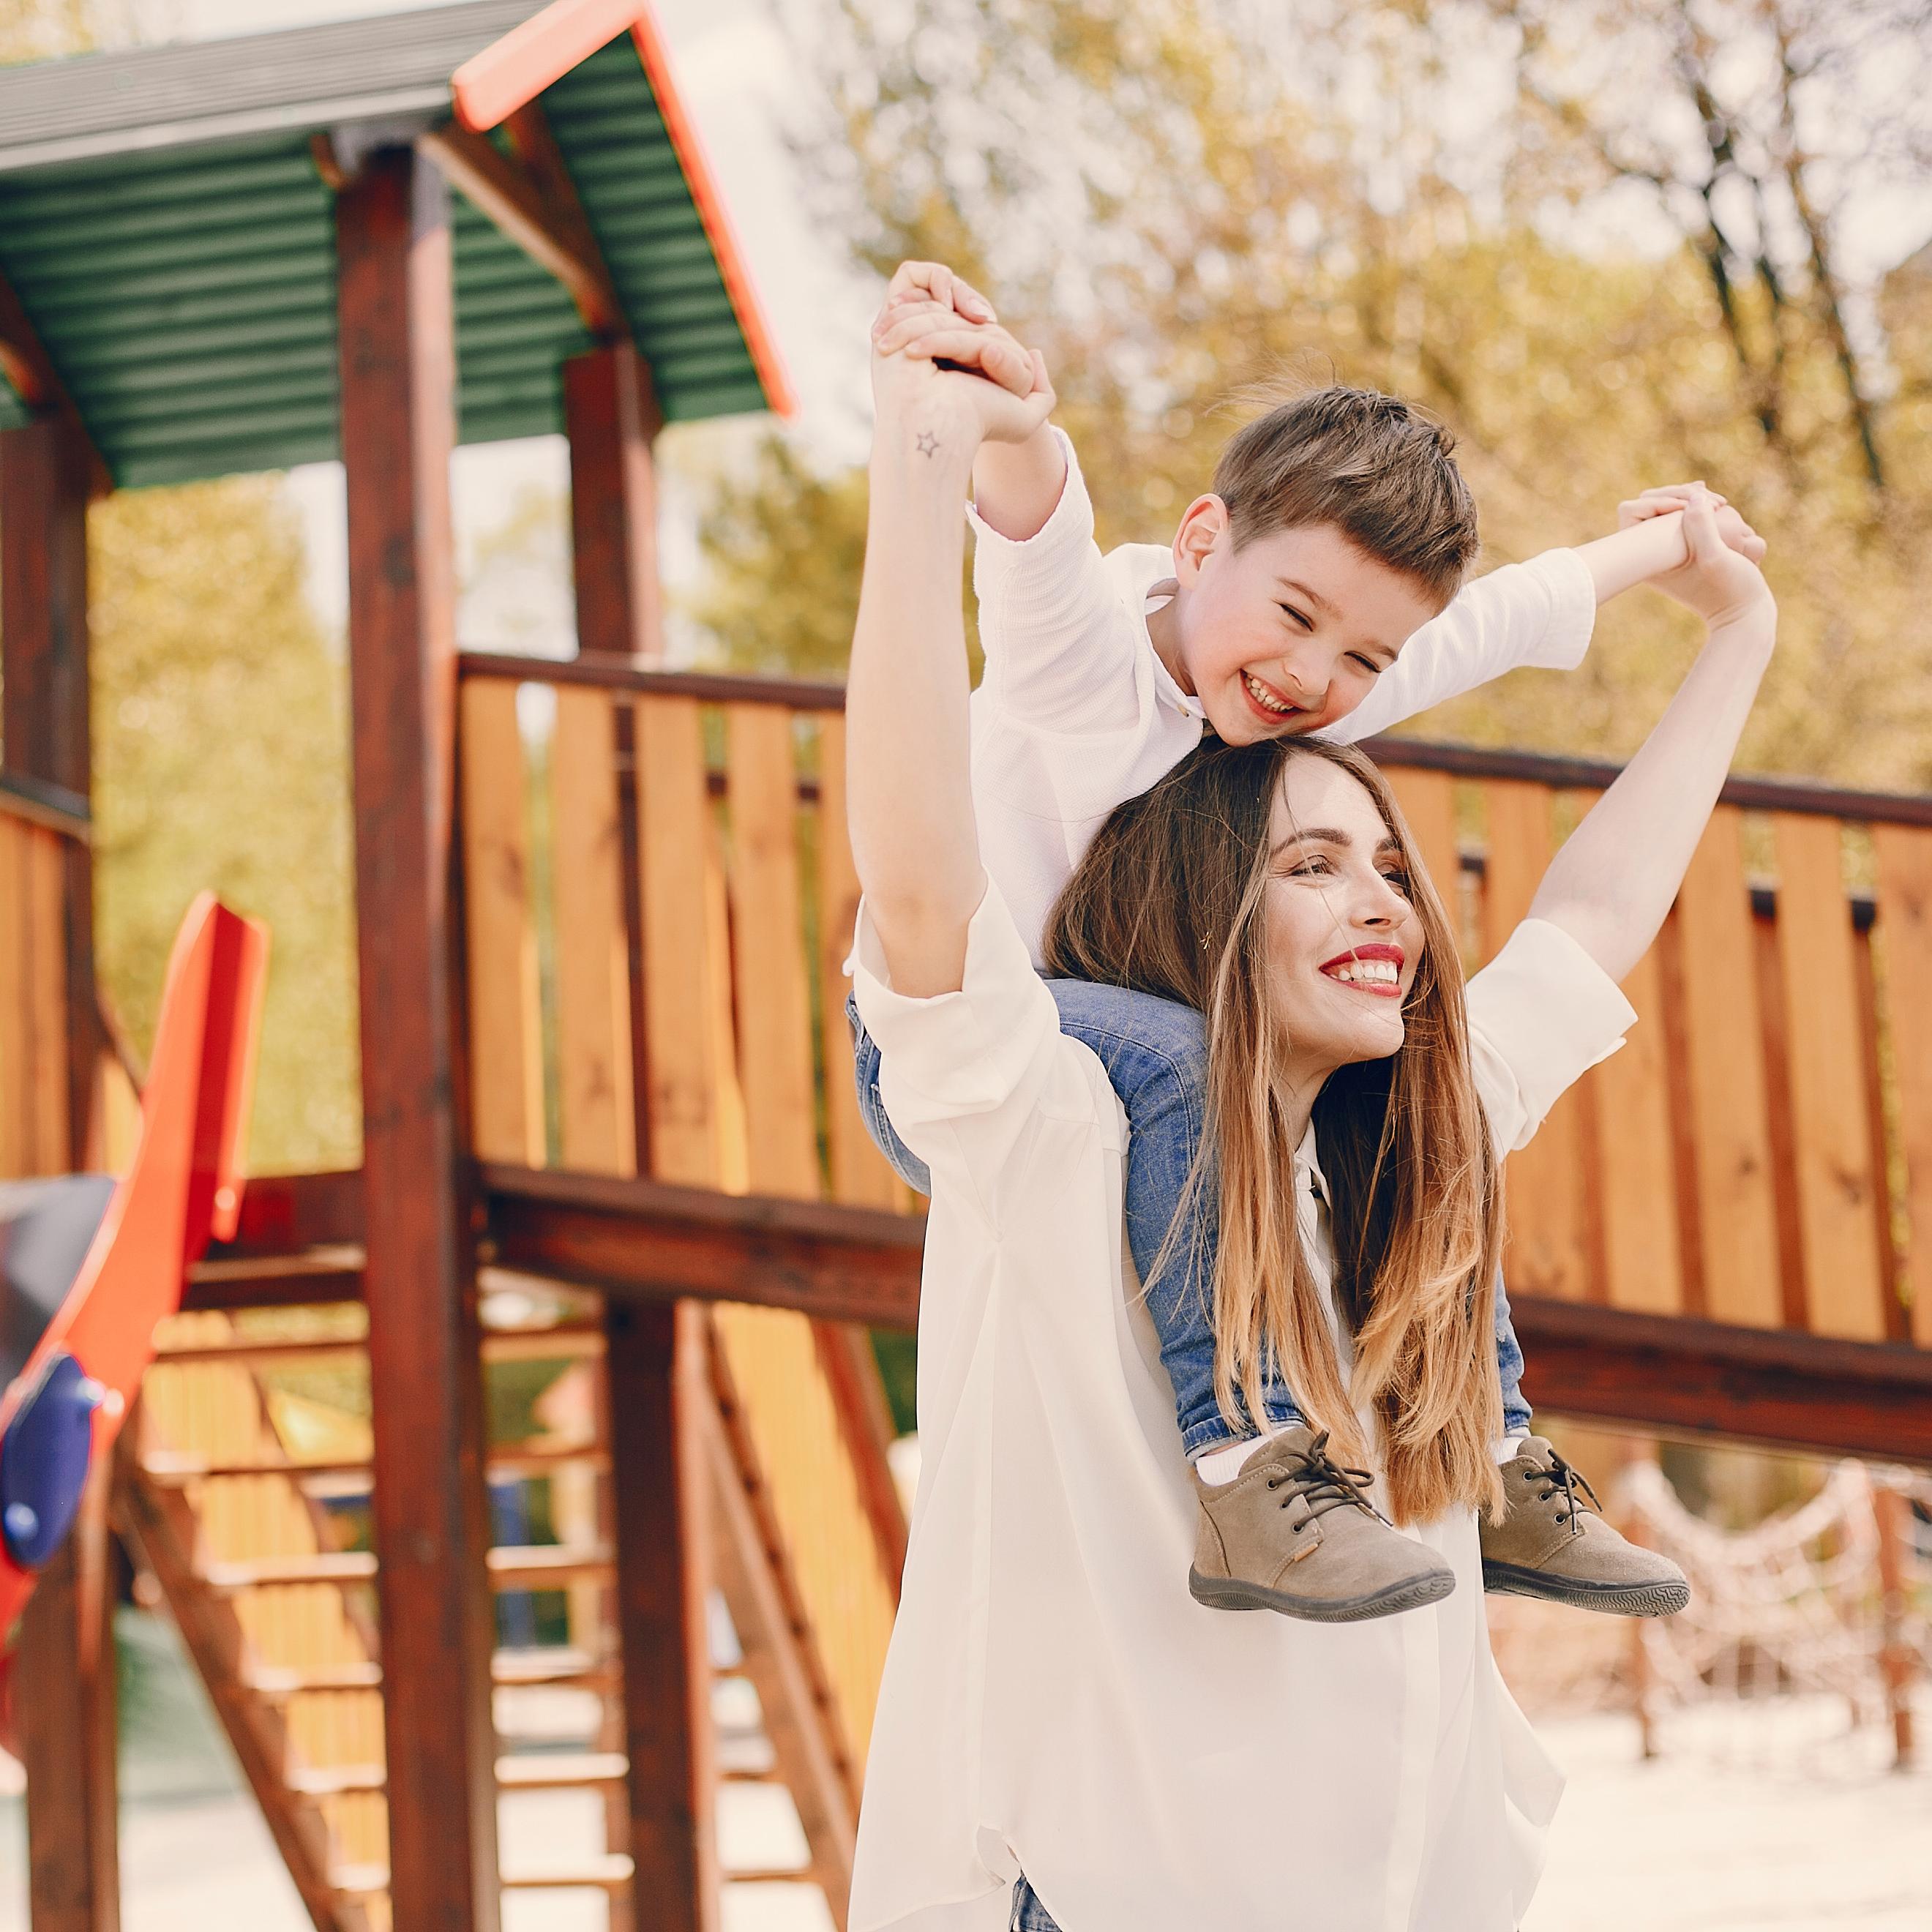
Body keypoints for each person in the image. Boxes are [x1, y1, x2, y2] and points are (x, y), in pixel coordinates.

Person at [845, 260, 1777, 1931]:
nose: (1383, 904)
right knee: (1135, 1067)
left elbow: (1587, 904)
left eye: (1393, 871)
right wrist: (943, 438)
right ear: (1203, 546)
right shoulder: (1066, 1136)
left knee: (1416, 1110)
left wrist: (1720, 609)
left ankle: (1491, 1450)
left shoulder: (1401, 1144)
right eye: (1315, 865)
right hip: (1113, 1883)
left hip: (1379, 1890)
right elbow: (940, 820)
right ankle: (1248, 1452)